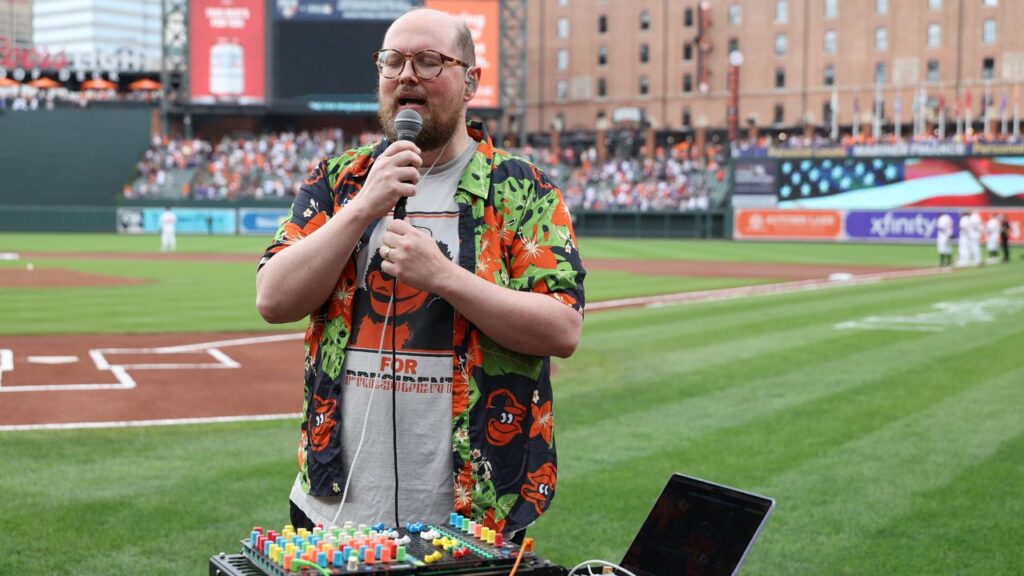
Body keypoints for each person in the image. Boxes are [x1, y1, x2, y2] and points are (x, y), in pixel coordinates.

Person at [255, 8, 585, 538]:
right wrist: (363, 208)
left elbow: (562, 329)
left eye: (429, 61)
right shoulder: (338, 181)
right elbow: (273, 299)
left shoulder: (523, 189)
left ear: (470, 81)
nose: (406, 75)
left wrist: (444, 276)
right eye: (393, 61)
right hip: (333, 509)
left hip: (472, 513)